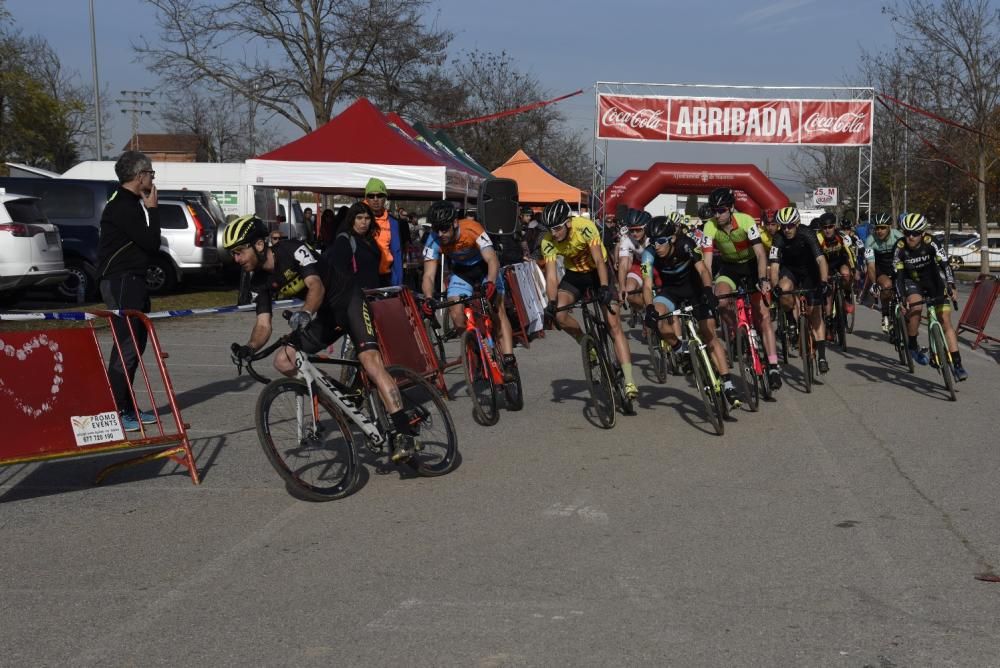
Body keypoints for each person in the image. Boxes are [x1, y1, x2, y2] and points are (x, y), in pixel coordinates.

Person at [225, 215, 419, 463]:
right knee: (284, 360)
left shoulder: (293, 249)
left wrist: (305, 313)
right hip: (325, 316)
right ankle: (344, 395)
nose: (237, 259)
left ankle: (404, 433)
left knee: (370, 362)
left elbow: (316, 285)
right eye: (233, 253)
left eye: (240, 251)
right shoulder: (259, 281)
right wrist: (250, 347)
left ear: (259, 245)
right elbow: (263, 324)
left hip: (349, 301)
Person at [540, 199, 639, 400]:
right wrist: (551, 302)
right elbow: (551, 276)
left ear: (568, 222)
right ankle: (585, 342)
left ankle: (629, 381)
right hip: (575, 276)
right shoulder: (548, 241)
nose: (555, 233)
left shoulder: (584, 227)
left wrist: (603, 287)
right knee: (560, 314)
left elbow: (598, 260)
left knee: (613, 323)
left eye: (558, 228)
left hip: (598, 272)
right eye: (551, 229)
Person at [641, 217, 741, 408]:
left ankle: (728, 383)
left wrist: (707, 291)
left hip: (695, 290)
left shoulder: (686, 244)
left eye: (661, 241)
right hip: (671, 291)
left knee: (709, 333)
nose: (657, 246)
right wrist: (649, 309)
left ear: (671, 239)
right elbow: (647, 285)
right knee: (658, 322)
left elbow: (703, 270)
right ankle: (680, 348)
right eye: (653, 241)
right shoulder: (648, 254)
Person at [96, 150, 161, 432]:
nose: (153, 179)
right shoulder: (123, 205)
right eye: (151, 174)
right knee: (127, 346)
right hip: (121, 281)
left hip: (133, 279)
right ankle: (118, 408)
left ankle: (126, 404)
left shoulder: (130, 203)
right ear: (139, 176)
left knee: (136, 343)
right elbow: (151, 242)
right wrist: (154, 209)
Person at [420, 201, 517, 379]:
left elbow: (492, 260)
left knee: (497, 308)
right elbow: (428, 275)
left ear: (455, 223)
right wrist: (428, 297)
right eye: (437, 230)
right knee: (455, 310)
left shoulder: (472, 228)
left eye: (444, 229)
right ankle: (475, 352)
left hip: (484, 269)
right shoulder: (433, 239)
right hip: (462, 273)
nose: (440, 234)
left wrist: (491, 283)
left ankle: (509, 358)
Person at [701, 187, 781, 390]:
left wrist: (763, 279)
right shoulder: (709, 227)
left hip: (752, 265)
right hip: (730, 268)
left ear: (731, 209)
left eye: (721, 210)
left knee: (762, 314)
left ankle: (772, 365)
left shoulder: (745, 221)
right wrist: (707, 288)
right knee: (719, 297)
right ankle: (735, 331)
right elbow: (707, 263)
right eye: (714, 211)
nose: (717, 215)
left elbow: (761, 254)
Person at [893, 213, 967, 380]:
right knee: (916, 307)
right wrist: (901, 297)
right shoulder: (899, 247)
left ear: (922, 233)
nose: (910, 237)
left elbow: (945, 264)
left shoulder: (931, 242)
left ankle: (957, 364)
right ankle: (912, 345)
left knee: (946, 321)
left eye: (915, 233)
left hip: (933, 281)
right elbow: (898, 275)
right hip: (911, 281)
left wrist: (951, 285)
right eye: (907, 233)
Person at [768, 207, 831, 373]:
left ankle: (822, 356)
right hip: (790, 271)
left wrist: (824, 282)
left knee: (814, 313)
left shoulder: (808, 234)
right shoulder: (778, 238)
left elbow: (821, 260)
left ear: (796, 223)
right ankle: (791, 321)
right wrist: (775, 286)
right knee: (784, 289)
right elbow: (774, 267)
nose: (786, 229)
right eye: (783, 226)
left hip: (810, 271)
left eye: (790, 225)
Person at [863, 213, 902, 332]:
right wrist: (874, 284)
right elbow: (870, 265)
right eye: (877, 228)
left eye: (883, 227)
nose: (879, 231)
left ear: (889, 226)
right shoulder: (870, 241)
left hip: (896, 264)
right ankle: (885, 314)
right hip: (880, 267)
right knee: (887, 286)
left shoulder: (898, 236)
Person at [815, 211, 857, 316]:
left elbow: (850, 252)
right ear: (821, 228)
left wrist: (853, 268)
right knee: (829, 288)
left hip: (840, 261)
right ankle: (829, 319)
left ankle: (847, 297)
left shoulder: (842, 235)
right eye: (825, 227)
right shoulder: (818, 238)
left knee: (846, 274)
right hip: (826, 265)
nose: (827, 230)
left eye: (830, 227)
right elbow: (814, 258)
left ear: (835, 226)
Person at [363, 178, 403, 286]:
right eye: (371, 196)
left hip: (385, 278)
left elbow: (397, 253)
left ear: (385, 198)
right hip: (363, 278)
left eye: (379, 195)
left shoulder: (393, 222)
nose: (375, 199)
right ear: (366, 198)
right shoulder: (358, 219)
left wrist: (398, 284)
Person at [333, 202, 381, 290]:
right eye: (359, 218)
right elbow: (338, 274)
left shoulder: (370, 239)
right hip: (355, 297)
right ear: (352, 219)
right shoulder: (344, 240)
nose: (364, 222)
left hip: (373, 294)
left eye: (367, 218)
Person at [615, 208, 652, 317]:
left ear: (646, 227)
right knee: (629, 293)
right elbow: (623, 264)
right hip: (641, 266)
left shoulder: (653, 236)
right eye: (632, 230)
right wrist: (621, 287)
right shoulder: (626, 240)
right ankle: (645, 312)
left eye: (638, 230)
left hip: (655, 267)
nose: (634, 233)